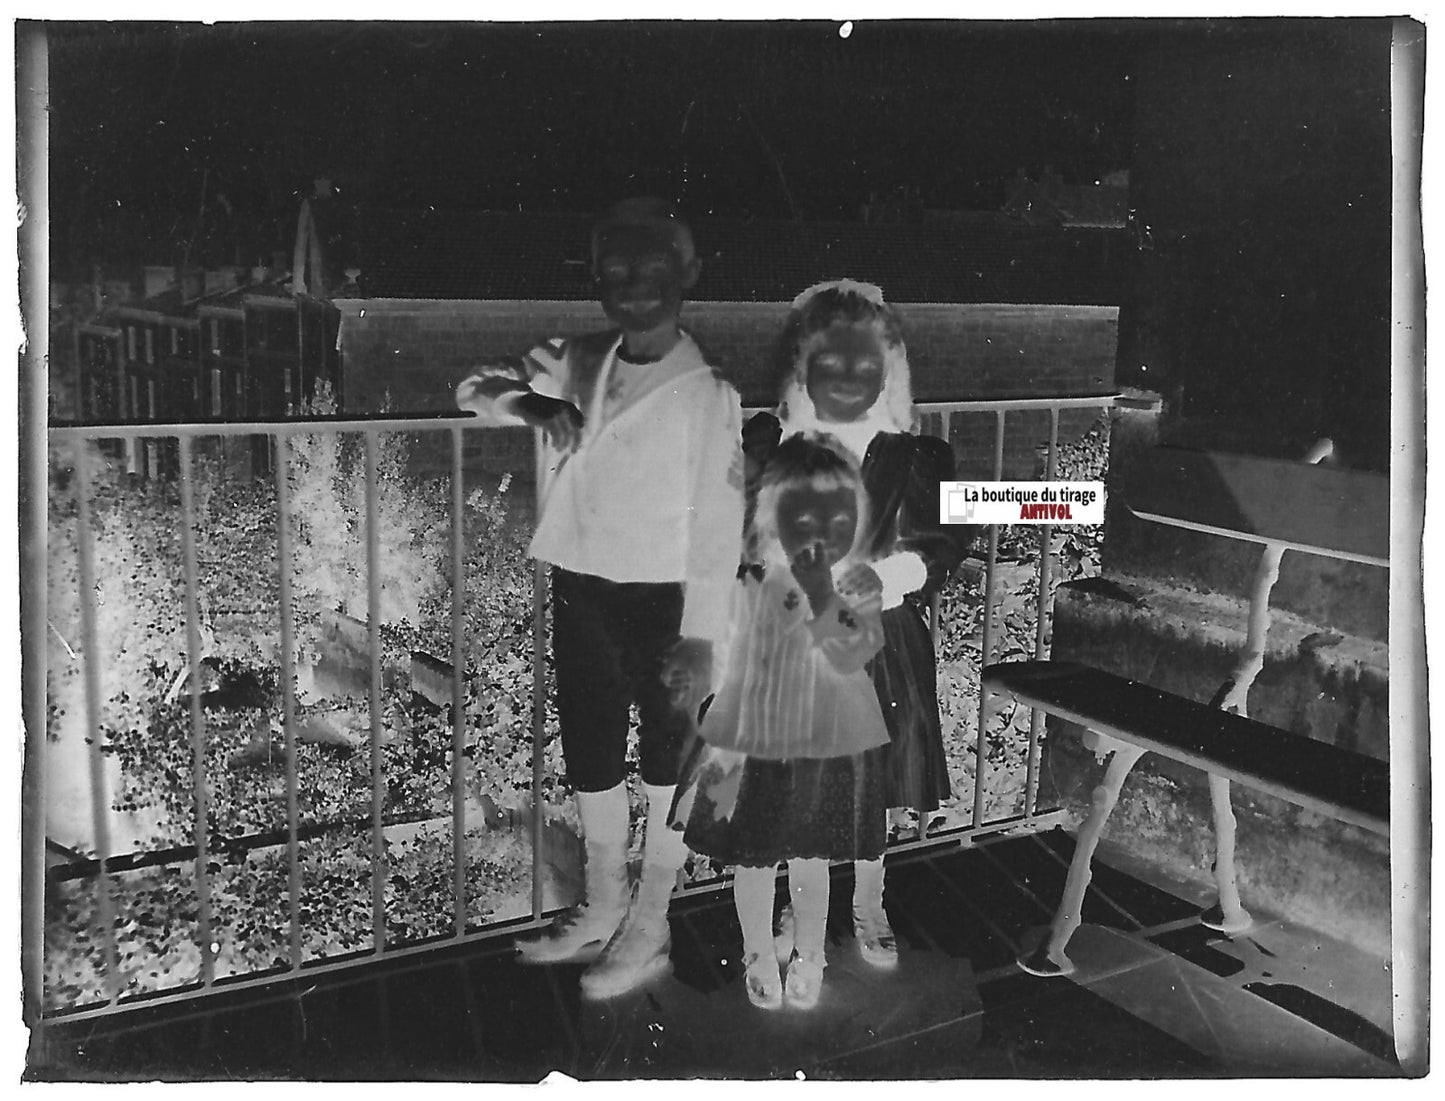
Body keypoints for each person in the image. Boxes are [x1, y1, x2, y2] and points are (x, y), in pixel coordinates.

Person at [455, 198, 744, 1000]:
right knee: (588, 746)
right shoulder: (574, 358)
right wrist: (531, 404)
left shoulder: (706, 390)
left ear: (687, 274)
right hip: (582, 584)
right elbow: (472, 386)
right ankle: (603, 902)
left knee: (664, 760)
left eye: (653, 268)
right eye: (616, 270)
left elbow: (720, 525)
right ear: (596, 280)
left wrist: (701, 637)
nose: (634, 284)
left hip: (666, 600)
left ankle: (650, 917)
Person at [745, 279, 966, 971]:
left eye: (865, 367)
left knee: (870, 778)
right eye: (830, 364)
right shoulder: (771, 438)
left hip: (877, 639)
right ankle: (793, 899)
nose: (847, 379)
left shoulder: (911, 453)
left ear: (887, 372)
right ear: (802, 367)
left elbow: (942, 544)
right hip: (790, 638)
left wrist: (891, 574)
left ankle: (867, 897)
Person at [668, 435, 890, 1010]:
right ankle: (758, 954)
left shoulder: (856, 583)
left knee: (812, 858)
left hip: (822, 749)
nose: (824, 530)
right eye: (806, 516)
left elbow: (851, 652)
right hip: (757, 745)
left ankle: (811, 955)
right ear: (773, 518)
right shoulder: (751, 580)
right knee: (754, 858)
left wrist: (821, 593)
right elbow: (726, 651)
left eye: (840, 517)